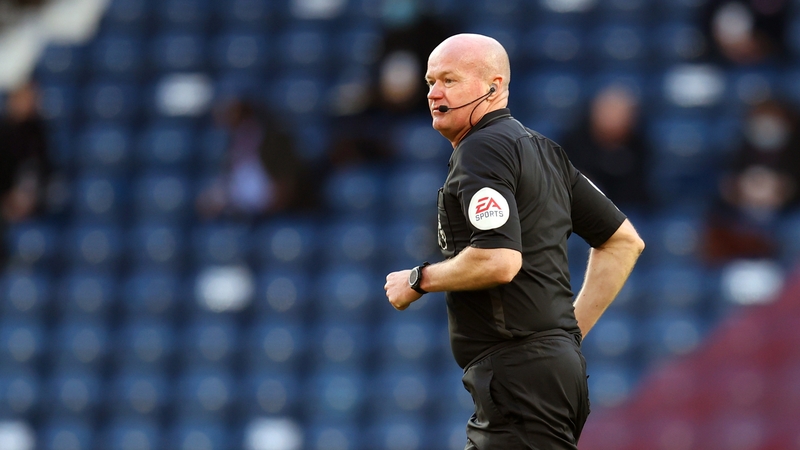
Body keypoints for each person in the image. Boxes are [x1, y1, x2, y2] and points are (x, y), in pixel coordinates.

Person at [383, 34, 645, 449]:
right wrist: (567, 337)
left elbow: (499, 260)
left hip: (519, 379)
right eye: (430, 82)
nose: (433, 93)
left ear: (494, 85)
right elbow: (623, 241)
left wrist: (418, 279)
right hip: (544, 375)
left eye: (449, 80)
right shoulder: (545, 151)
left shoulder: (482, 148)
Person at [561, 84, 651, 210]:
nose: (613, 117)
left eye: (619, 112)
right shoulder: (574, 142)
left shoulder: (639, 145)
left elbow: (640, 192)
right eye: (609, 110)